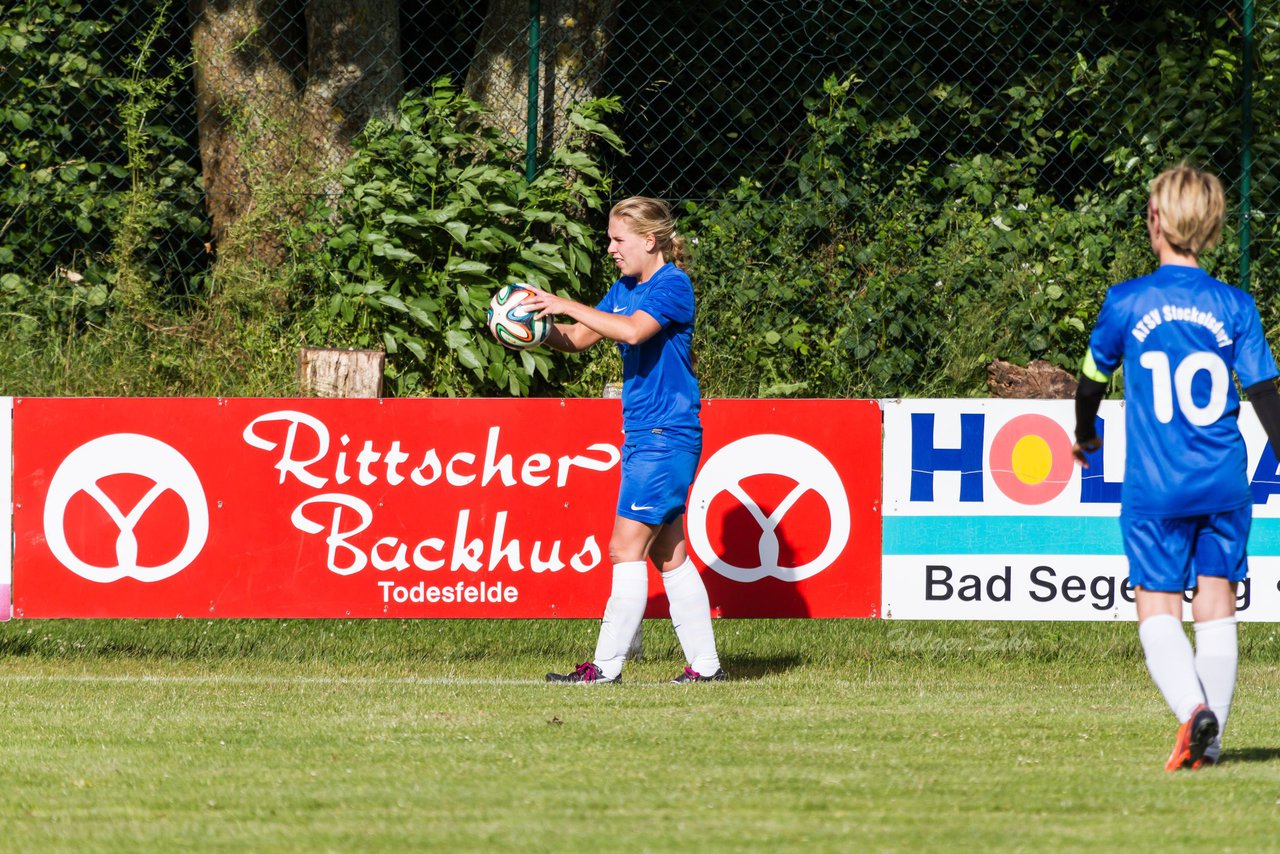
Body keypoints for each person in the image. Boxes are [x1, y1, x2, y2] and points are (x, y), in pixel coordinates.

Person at [1073, 164, 1280, 770]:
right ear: (1214, 227)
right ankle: (1208, 740)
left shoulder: (1127, 301)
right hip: (1223, 481)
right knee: (1216, 604)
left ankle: (1195, 715)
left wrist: (1085, 433)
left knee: (1157, 605)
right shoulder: (1236, 306)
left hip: (1156, 488)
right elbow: (1266, 395)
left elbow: (1090, 380)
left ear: (1156, 221)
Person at [518, 196, 725, 685]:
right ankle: (707, 668)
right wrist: (530, 328)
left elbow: (633, 333)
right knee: (668, 554)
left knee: (622, 549)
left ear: (649, 240)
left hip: (665, 435)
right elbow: (576, 338)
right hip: (645, 434)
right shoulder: (625, 286)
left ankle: (604, 668)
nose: (610, 248)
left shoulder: (672, 285)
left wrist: (564, 302)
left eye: (618, 239)